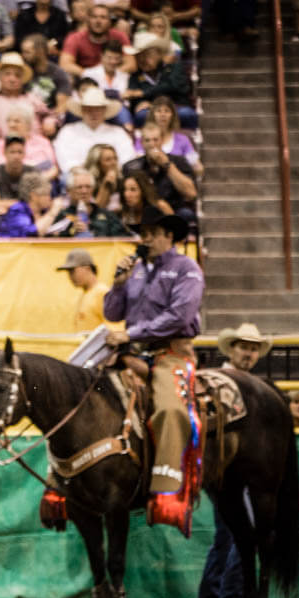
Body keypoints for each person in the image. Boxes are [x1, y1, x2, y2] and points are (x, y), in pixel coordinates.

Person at [104, 212, 204, 531]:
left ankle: (168, 494)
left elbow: (180, 315)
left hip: (170, 352)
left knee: (171, 410)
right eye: (142, 232)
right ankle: (61, 489)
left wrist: (132, 334)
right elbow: (111, 311)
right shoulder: (134, 271)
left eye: (151, 232)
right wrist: (118, 284)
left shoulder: (187, 269)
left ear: (169, 237)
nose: (144, 239)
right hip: (133, 352)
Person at [196, 322, 270, 598]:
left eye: (253, 349)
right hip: (227, 468)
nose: (249, 353)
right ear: (232, 349)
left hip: (228, 468)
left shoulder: (229, 382)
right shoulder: (223, 383)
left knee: (226, 536)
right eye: (244, 347)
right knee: (241, 532)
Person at [123, 118, 198, 221]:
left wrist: (167, 165)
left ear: (162, 140)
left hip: (174, 209)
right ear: (141, 143)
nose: (151, 144)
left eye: (155, 140)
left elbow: (191, 193)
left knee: (186, 214)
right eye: (147, 140)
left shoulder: (179, 161)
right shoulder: (131, 167)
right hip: (143, 212)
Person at [54, 85, 135, 173]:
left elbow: (127, 159)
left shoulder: (118, 132)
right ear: (82, 110)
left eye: (98, 109)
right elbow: (66, 162)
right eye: (89, 109)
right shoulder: (68, 131)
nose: (93, 113)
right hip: (79, 178)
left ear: (105, 110)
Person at [57, 246, 120, 332]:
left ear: (87, 268)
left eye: (72, 271)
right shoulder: (86, 293)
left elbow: (115, 328)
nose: (70, 276)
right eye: (69, 272)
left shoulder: (101, 293)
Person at [59, 3, 130, 78]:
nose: (98, 21)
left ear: (110, 21)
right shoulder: (75, 38)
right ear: (88, 20)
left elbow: (131, 64)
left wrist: (109, 76)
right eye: (94, 17)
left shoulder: (120, 36)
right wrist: (90, 75)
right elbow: (65, 64)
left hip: (115, 79)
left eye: (103, 17)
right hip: (85, 80)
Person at [0, 169, 67, 237]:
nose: (49, 198)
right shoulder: (17, 210)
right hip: (8, 248)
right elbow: (31, 234)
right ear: (33, 196)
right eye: (46, 194)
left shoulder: (44, 211)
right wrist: (53, 211)